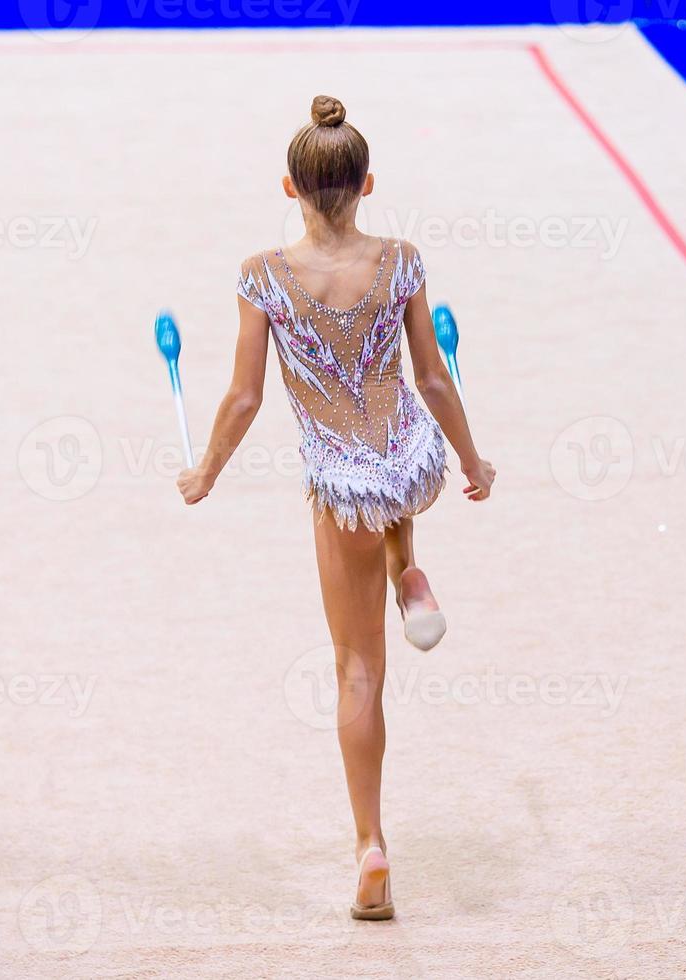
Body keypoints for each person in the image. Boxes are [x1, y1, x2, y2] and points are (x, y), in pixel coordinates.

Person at [176, 94, 496, 921]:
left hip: (346, 489)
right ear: (368, 183)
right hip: (408, 462)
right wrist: (470, 457)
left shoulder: (265, 277)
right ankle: (410, 568)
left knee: (358, 674)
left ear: (289, 188)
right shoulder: (402, 260)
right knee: (393, 457)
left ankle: (370, 845)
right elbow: (432, 379)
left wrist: (206, 468)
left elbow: (244, 397)